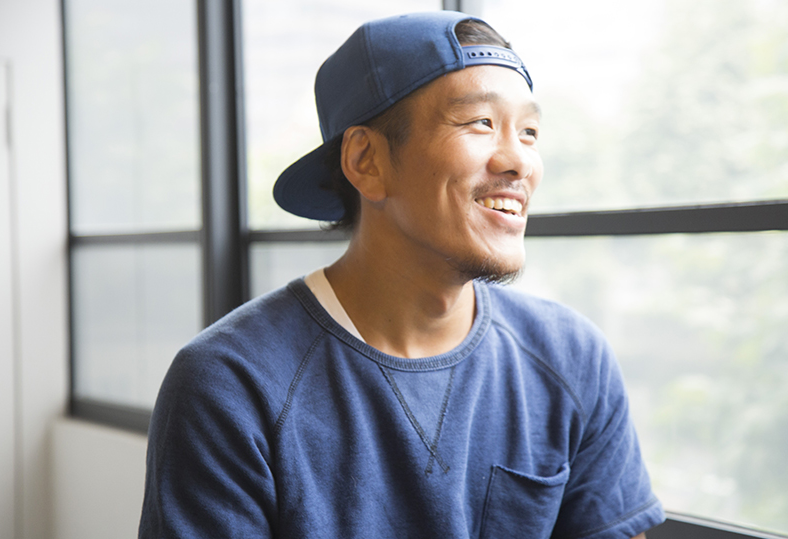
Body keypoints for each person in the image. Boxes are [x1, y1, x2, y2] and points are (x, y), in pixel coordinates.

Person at [139, 11, 665, 539]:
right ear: (366, 161)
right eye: (480, 122)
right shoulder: (230, 385)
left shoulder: (571, 357)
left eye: (528, 132)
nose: (520, 162)